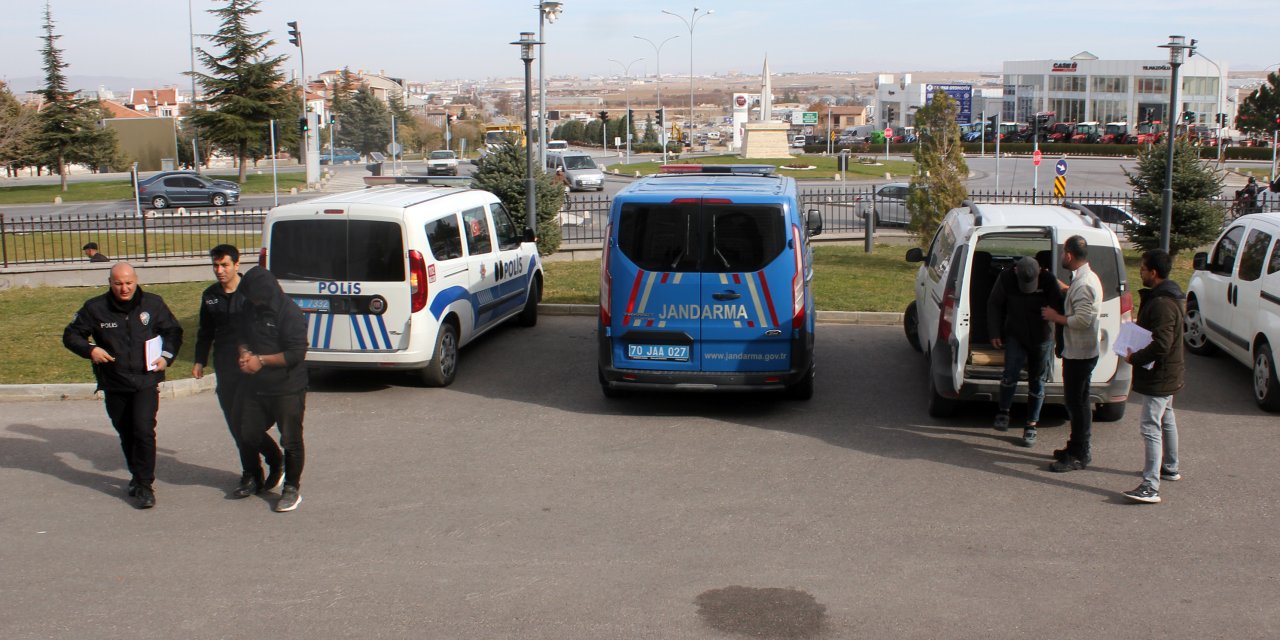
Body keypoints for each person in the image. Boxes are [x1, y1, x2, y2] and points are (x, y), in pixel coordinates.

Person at [62, 263, 183, 508]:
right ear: (110, 282)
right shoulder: (95, 308)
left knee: (143, 430)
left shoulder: (153, 304)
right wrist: (91, 349)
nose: (124, 288)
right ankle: (137, 475)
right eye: (118, 283)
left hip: (145, 381)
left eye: (128, 282)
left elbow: (173, 331)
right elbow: (71, 335)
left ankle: (145, 484)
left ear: (136, 280)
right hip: (114, 381)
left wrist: (167, 356)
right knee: (126, 431)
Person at [191, 245, 283, 499]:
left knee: (248, 423)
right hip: (225, 368)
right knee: (235, 423)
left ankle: (274, 459)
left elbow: (271, 326)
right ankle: (251, 474)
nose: (219, 271)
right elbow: (205, 331)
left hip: (252, 368)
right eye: (216, 266)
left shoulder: (250, 294)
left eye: (224, 265)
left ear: (237, 264)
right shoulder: (210, 296)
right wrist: (199, 360)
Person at [234, 267, 309, 512]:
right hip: (256, 386)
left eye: (254, 296)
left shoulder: (290, 313)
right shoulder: (249, 308)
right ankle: (275, 462)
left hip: (287, 387)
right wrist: (244, 352)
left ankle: (291, 488)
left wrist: (262, 360)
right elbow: (242, 334)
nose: (252, 301)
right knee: (247, 432)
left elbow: (296, 354)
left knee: (291, 439)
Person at [1121, 250, 1185, 503]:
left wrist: (1134, 358)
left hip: (1161, 375)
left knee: (1150, 425)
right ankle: (1170, 467)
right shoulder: (1170, 297)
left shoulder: (1162, 303)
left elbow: (1161, 344)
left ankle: (1150, 486)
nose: (1141, 273)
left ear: (1154, 273)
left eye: (1143, 270)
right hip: (1170, 373)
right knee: (1166, 417)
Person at [988, 256, 1063, 447]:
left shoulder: (1048, 280)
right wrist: (995, 332)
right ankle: (1004, 411)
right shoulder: (1006, 278)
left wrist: (1060, 343)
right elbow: (994, 303)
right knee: (1009, 374)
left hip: (1042, 338)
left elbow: (1060, 311)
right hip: (1015, 334)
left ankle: (1031, 424)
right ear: (1015, 271)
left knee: (1037, 381)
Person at [1042, 235, 1102, 472]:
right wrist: (1064, 288)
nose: (1062, 257)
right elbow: (1079, 300)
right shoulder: (1084, 279)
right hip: (1079, 352)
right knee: (1077, 401)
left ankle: (1080, 453)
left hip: (1081, 353)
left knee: (1077, 404)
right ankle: (1075, 445)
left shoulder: (1085, 283)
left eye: (1064, 252)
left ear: (1069, 255)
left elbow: (1084, 319)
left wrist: (1054, 317)